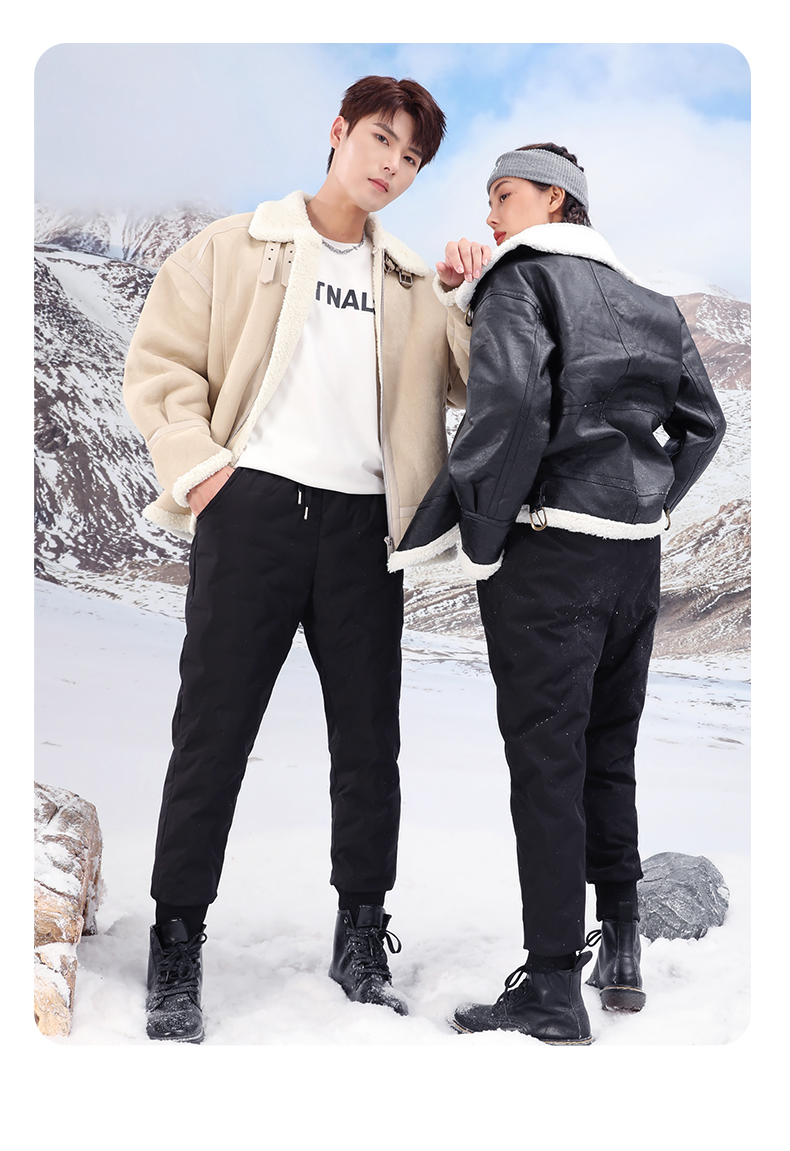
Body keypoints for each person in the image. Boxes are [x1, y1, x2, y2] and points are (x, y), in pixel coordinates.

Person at [123, 76, 471, 1042]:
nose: (392, 165)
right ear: (338, 131)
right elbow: (160, 363)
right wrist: (202, 470)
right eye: (380, 139)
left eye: (411, 156)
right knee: (213, 733)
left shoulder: (411, 279)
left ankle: (361, 934)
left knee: (367, 745)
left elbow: (468, 381)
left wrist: (468, 292)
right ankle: (176, 942)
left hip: (366, 531)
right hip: (255, 512)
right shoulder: (236, 245)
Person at [391, 143, 726, 1045]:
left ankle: (549, 988)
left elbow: (506, 410)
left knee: (547, 766)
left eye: (504, 194)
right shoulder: (651, 303)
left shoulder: (521, 279)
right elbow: (705, 423)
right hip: (634, 561)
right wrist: (646, 502)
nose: (491, 213)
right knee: (608, 751)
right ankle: (621, 950)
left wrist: (482, 536)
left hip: (549, 555)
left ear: (555, 199)